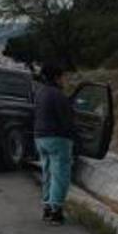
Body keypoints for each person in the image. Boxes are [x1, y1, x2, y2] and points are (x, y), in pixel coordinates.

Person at [33, 64, 75, 224]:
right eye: (63, 77)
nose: (64, 80)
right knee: (60, 175)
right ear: (57, 77)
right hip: (58, 138)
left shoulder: (40, 93)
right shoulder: (58, 95)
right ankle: (56, 211)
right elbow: (66, 119)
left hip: (40, 137)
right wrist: (75, 136)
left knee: (47, 173)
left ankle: (46, 208)